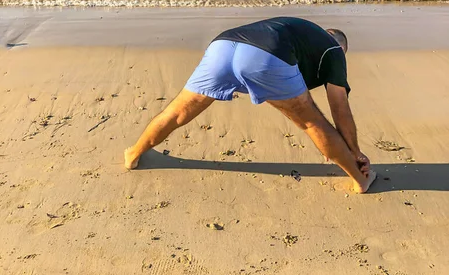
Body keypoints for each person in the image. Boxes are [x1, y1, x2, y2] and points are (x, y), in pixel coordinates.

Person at [124, 17, 376, 193]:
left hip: (222, 45)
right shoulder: (333, 48)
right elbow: (339, 107)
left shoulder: (302, 33)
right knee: (312, 122)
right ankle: (359, 181)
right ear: (342, 47)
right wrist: (355, 151)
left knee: (177, 112)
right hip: (264, 54)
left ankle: (134, 153)